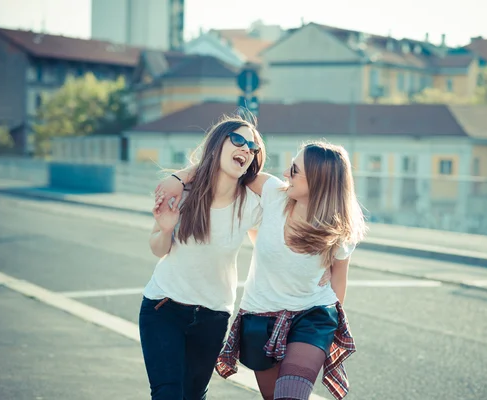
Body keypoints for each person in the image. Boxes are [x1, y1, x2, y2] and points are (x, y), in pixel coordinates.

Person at [156, 141, 366, 400]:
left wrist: (327, 337)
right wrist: (178, 178)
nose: (286, 174)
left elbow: (338, 284)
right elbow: (226, 169)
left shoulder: (339, 230)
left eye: (294, 169)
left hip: (312, 317)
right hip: (260, 317)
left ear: (318, 179)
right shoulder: (273, 192)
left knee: (290, 396)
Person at [139, 114, 266, 400]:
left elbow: (268, 244)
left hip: (213, 315)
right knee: (167, 394)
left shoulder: (252, 205)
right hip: (163, 307)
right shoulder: (181, 194)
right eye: (239, 140)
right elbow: (157, 248)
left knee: (194, 395)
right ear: (217, 143)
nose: (246, 149)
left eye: (253, 147)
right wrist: (167, 230)